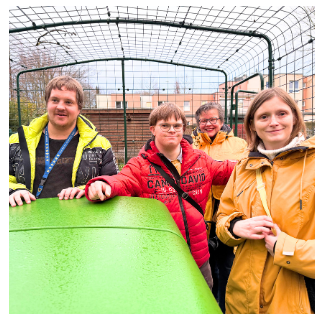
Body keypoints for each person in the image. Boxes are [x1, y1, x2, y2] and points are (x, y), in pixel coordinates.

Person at [85, 103, 235, 289]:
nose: (172, 130)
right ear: (153, 129)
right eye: (165, 125)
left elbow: (227, 170)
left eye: (177, 125)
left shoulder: (200, 159)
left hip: (199, 257)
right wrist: (102, 184)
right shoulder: (139, 165)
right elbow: (121, 181)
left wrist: (251, 161)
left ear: (184, 129)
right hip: (160, 259)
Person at [215, 88, 315, 314]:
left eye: (281, 114)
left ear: (295, 118)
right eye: (263, 116)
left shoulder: (316, 164)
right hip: (243, 296)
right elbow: (222, 218)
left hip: (293, 301)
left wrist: (287, 248)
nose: (273, 122)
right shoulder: (243, 167)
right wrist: (234, 226)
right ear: (252, 125)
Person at [8, 75, 117, 206]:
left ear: (79, 109)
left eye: (68, 102)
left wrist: (86, 190)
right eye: (55, 100)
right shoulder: (18, 141)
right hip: (28, 221)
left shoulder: (100, 145)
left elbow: (112, 183)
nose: (60, 107)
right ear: (47, 104)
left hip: (81, 220)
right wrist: (12, 190)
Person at [192, 103, 249, 311]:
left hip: (229, 211)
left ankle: (225, 308)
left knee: (227, 266)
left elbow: (242, 171)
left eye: (213, 119)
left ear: (222, 121)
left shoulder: (239, 144)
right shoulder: (191, 146)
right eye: (204, 121)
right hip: (201, 213)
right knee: (205, 267)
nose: (209, 124)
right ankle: (205, 307)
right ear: (198, 123)